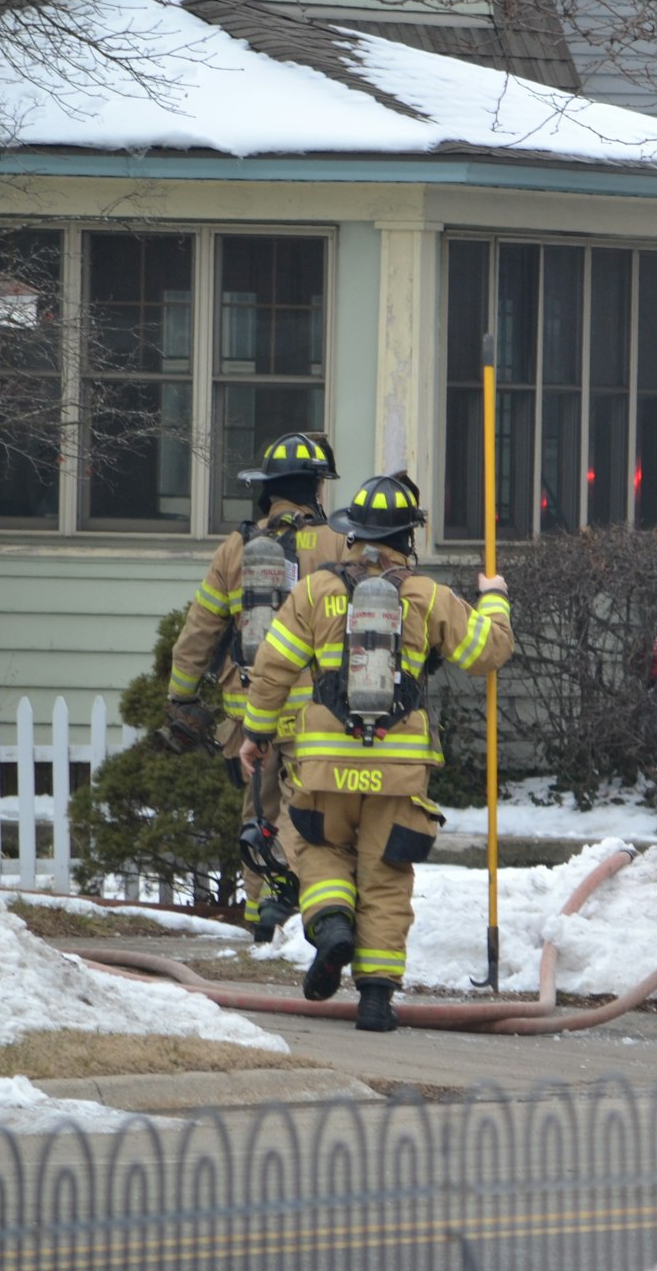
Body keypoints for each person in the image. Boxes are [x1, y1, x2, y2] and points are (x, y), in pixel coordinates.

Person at [239, 472, 513, 1032]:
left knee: (320, 853)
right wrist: (494, 598)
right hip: (397, 771)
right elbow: (490, 651)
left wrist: (256, 734)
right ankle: (375, 1001)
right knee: (386, 879)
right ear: (407, 536)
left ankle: (333, 926)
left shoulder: (314, 591)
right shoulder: (427, 596)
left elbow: (272, 669)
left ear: (353, 532)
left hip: (324, 766)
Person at [165, 432, 347, 941]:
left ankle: (258, 923)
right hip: (315, 712)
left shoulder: (237, 548)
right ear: (316, 488)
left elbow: (200, 630)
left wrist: (180, 697)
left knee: (258, 812)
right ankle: (282, 909)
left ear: (267, 489)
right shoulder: (339, 546)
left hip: (249, 712)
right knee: (301, 808)